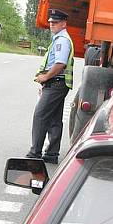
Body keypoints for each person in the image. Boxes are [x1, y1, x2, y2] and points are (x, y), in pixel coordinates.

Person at [26, 8, 74, 164]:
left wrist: (46, 77)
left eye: (56, 22)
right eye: (51, 23)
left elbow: (60, 63)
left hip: (56, 83)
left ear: (64, 24)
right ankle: (51, 154)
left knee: (40, 116)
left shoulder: (62, 41)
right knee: (54, 119)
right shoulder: (59, 39)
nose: (52, 25)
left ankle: (35, 153)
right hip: (56, 83)